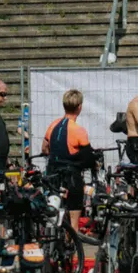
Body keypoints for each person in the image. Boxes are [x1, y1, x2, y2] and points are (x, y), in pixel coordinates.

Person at [42, 88, 96, 219]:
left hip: (53, 172)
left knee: (53, 211)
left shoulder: (53, 125)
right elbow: (88, 158)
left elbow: (44, 148)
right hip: (71, 176)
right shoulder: (79, 130)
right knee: (74, 212)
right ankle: (74, 235)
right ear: (79, 107)